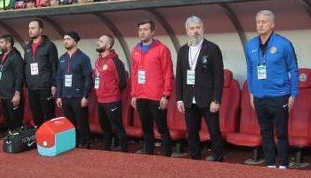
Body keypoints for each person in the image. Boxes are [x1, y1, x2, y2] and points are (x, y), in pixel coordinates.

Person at [244, 10, 299, 168]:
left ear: (272, 25)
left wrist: (293, 94)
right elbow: (250, 70)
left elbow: (293, 70)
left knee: (281, 132)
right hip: (259, 96)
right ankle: (269, 163)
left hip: (280, 94)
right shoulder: (250, 45)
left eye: (264, 22)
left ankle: (282, 164)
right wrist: (252, 93)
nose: (260, 25)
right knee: (265, 131)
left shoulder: (284, 44)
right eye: (258, 22)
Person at [175, 16, 224, 162]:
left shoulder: (213, 48)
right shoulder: (182, 51)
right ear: (187, 31)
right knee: (191, 132)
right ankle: (195, 159)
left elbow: (219, 77)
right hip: (189, 98)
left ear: (202, 28)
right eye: (192, 28)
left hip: (208, 99)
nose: (195, 31)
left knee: (214, 131)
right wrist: (179, 99)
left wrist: (216, 99)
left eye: (198, 28)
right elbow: (180, 77)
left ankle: (218, 158)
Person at [130, 19, 174, 157]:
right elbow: (134, 74)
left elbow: (168, 73)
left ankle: (167, 155)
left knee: (162, 127)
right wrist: (134, 94)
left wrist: (166, 95)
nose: (142, 32)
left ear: (152, 31)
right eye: (140, 30)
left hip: (157, 96)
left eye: (145, 29)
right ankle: (148, 154)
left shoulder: (162, 49)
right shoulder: (135, 50)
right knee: (146, 128)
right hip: (141, 96)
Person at [56, 31, 92, 148]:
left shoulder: (83, 58)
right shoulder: (62, 58)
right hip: (66, 97)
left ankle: (85, 144)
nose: (65, 41)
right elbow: (59, 78)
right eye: (64, 39)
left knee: (82, 122)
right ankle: (73, 144)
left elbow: (88, 78)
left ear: (75, 41)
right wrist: (59, 96)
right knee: (69, 123)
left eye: (68, 39)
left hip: (78, 97)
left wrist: (85, 96)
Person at [93, 34, 128, 152]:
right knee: (105, 127)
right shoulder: (98, 60)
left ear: (108, 45)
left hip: (112, 100)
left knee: (117, 127)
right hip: (100, 100)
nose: (98, 42)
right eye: (98, 40)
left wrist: (111, 91)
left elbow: (122, 82)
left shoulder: (115, 61)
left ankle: (124, 150)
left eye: (101, 41)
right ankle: (107, 149)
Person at [24, 18, 58, 126]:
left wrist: (54, 84)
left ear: (40, 30)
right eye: (29, 28)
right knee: (36, 116)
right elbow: (26, 65)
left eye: (33, 28)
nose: (30, 30)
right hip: (32, 87)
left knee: (48, 116)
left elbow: (54, 66)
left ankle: (51, 141)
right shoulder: (27, 47)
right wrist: (27, 83)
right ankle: (40, 139)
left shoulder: (49, 46)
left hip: (45, 87)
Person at [0, 34, 24, 131]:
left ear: (8, 44)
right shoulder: (0, 57)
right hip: (3, 95)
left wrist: (17, 94)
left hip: (12, 95)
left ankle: (18, 140)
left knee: (15, 121)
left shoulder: (15, 57)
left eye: (1, 42)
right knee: (7, 120)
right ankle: (11, 138)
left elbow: (19, 76)